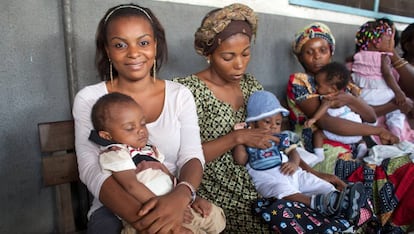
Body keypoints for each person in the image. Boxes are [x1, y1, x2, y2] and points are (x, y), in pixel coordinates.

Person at [173, 4, 347, 232]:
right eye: (228, 56)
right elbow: (179, 156)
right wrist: (236, 138)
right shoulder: (187, 91)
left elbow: (275, 138)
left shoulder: (251, 85)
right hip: (221, 191)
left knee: (332, 215)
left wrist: (312, 173)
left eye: (245, 54)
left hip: (267, 178)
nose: (239, 64)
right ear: (208, 53)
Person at [72, 3, 210, 233]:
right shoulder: (90, 98)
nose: (134, 53)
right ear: (107, 50)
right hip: (116, 206)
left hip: (173, 197)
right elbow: (90, 169)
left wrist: (181, 196)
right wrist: (148, 221)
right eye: (120, 45)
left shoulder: (179, 95)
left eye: (143, 42)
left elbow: (192, 156)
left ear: (155, 45)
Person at [288, 21, 414, 232]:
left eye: (322, 50)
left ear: (331, 51)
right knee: (401, 173)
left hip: (354, 150)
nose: (317, 56)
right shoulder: (300, 81)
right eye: (309, 52)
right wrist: (378, 131)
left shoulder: (342, 82)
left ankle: (396, 224)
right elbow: (328, 122)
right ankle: (390, 225)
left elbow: (370, 116)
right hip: (323, 154)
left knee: (407, 169)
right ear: (300, 57)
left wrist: (350, 100)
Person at [89, 92, 225, 234]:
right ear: (106, 136)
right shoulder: (116, 153)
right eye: (130, 128)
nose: (140, 130)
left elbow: (169, 177)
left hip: (177, 203)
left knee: (214, 216)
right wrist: (165, 208)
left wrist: (192, 197)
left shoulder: (149, 150)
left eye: (142, 123)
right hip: (148, 213)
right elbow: (131, 186)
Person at [232, 90, 366, 225]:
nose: (273, 126)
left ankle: (339, 199)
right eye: (267, 122)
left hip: (294, 174)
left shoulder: (279, 139)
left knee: (315, 182)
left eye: (278, 123)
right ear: (253, 124)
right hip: (270, 181)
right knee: (282, 191)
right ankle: (315, 203)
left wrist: (294, 163)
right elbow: (240, 159)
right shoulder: (248, 143)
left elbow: (293, 152)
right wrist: (240, 138)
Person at [351, 20, 414, 142]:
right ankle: (396, 134)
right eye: (388, 40)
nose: (392, 43)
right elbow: (387, 74)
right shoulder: (384, 57)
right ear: (377, 43)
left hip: (364, 96)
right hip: (382, 97)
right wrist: (398, 93)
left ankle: (368, 138)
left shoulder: (357, 58)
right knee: (397, 115)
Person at [304, 62, 371, 160]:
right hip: (356, 128)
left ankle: (319, 156)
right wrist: (355, 95)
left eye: (319, 85)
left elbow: (323, 108)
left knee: (318, 134)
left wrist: (314, 119)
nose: (316, 87)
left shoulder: (328, 98)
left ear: (332, 89)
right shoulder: (345, 95)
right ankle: (362, 146)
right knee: (360, 138)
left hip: (342, 129)